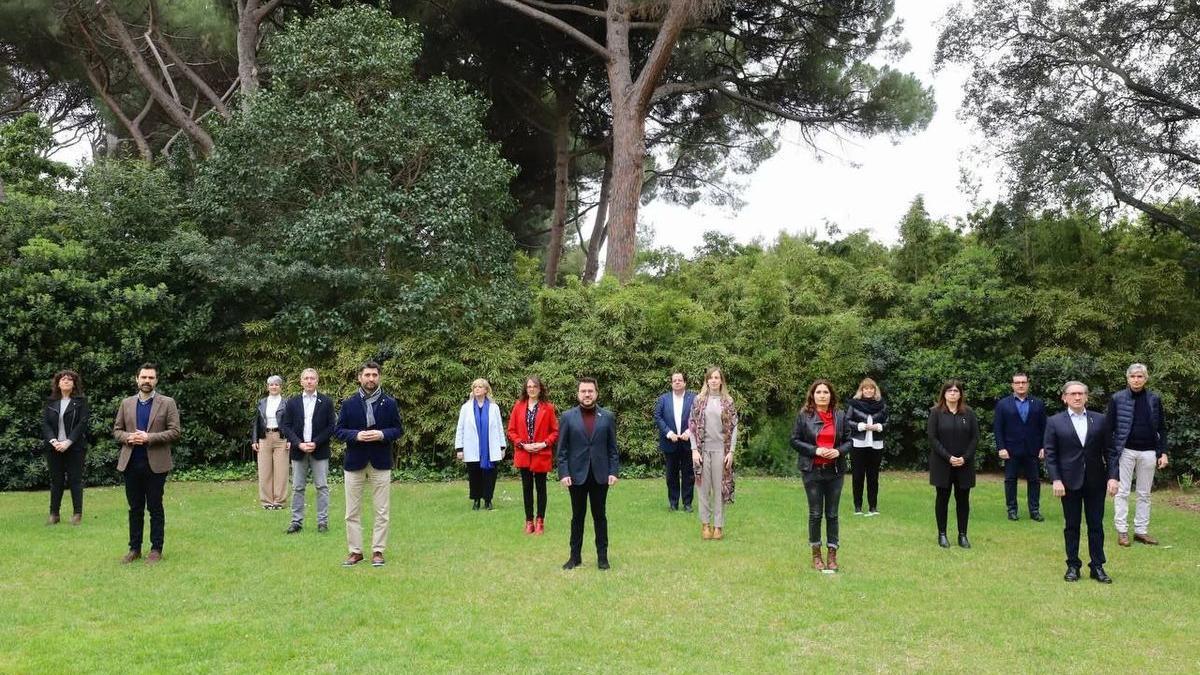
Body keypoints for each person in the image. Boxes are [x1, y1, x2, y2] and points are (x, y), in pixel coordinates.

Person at [1044, 381, 1120, 583]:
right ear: (1064, 397)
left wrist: (1113, 476)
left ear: (1087, 396)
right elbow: (1051, 454)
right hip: (1068, 482)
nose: (1077, 397)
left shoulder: (1100, 420)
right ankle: (1072, 565)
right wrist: (1056, 480)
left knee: (1096, 525)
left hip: (1096, 481)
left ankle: (1097, 566)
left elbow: (1110, 452)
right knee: (1072, 525)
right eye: (1073, 394)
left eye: (1081, 393)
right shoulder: (1054, 422)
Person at [334, 361, 403, 568]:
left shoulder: (390, 403)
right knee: (351, 511)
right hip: (355, 461)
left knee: (382, 511)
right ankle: (355, 552)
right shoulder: (348, 403)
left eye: (374, 375)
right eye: (367, 375)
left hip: (380, 462)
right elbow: (338, 431)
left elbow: (398, 430)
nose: (371, 379)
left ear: (379, 377)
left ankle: (378, 551)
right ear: (359, 377)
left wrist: (382, 434)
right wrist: (357, 435)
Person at [112, 363, 181, 564]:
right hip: (131, 463)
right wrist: (128, 437)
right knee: (135, 508)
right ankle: (134, 549)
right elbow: (117, 430)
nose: (147, 381)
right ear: (137, 379)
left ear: (156, 380)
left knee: (155, 507)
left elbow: (175, 431)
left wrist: (149, 437)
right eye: (143, 377)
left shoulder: (167, 403)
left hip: (156, 464)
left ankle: (156, 549)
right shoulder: (126, 403)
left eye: (151, 378)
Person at [557, 377, 619, 570]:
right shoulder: (568, 417)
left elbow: (613, 449)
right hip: (576, 476)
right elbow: (562, 450)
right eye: (583, 391)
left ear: (596, 393)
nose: (587, 394)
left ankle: (602, 557)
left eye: (590, 391)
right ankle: (574, 557)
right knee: (577, 517)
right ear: (578, 394)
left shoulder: (607, 417)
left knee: (600, 516)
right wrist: (563, 473)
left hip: (600, 475)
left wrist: (613, 471)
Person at [790, 379, 852, 572]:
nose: (822, 395)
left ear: (831, 395)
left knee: (832, 514)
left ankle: (832, 555)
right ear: (812, 395)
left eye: (826, 392)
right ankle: (816, 555)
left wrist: (839, 451)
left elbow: (850, 440)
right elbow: (794, 440)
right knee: (816, 514)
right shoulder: (804, 416)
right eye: (819, 392)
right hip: (812, 471)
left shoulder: (840, 416)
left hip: (834, 472)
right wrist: (815, 450)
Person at [1106, 363, 1169, 547]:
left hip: (1149, 451)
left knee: (1144, 493)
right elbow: (1109, 428)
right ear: (1127, 378)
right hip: (1125, 451)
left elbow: (1162, 427)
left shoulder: (1154, 399)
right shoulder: (1117, 398)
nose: (1136, 379)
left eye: (1140, 376)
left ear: (1146, 378)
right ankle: (1122, 531)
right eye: (1133, 376)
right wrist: (1111, 453)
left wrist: (1163, 452)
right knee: (1122, 491)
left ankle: (1141, 531)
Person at [280, 368, 337, 534]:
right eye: (306, 378)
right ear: (301, 381)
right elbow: (286, 426)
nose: (309, 381)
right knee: (298, 487)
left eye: (313, 378)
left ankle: (322, 522)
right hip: (299, 450)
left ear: (317, 381)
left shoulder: (326, 402)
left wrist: (316, 443)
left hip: (319, 450)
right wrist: (298, 444)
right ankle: (296, 522)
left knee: (322, 487)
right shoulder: (292, 402)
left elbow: (331, 426)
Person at [688, 366, 738, 541]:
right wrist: (694, 449)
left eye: (717, 377)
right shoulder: (699, 400)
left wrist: (731, 452)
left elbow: (734, 427)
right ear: (707, 380)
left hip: (721, 451)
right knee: (703, 489)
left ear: (721, 381)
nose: (714, 380)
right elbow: (692, 426)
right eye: (711, 377)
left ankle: (718, 526)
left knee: (719, 489)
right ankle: (705, 525)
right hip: (702, 451)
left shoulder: (728, 401)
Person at [927, 379, 978, 549]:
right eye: (950, 391)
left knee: (963, 499)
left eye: (956, 391)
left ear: (960, 394)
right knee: (942, 499)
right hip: (942, 464)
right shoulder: (936, 412)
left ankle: (962, 535)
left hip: (965, 464)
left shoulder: (969, 413)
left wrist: (965, 457)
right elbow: (933, 438)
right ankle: (942, 534)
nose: (953, 394)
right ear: (944, 393)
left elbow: (975, 438)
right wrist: (948, 457)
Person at [507, 376, 559, 534]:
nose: (532, 389)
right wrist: (522, 444)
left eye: (534, 386)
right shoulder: (518, 406)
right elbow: (511, 431)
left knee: (541, 488)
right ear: (525, 389)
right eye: (529, 386)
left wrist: (543, 444)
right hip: (524, 453)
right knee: (527, 488)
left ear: (540, 388)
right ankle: (529, 521)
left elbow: (555, 431)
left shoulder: (548, 407)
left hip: (541, 453)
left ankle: (540, 521)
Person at [993, 372, 1048, 522]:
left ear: (1028, 384)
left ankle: (1034, 510)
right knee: (1010, 480)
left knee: (1034, 480)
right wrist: (1001, 447)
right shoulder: (1003, 404)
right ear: (1012, 385)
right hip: (1011, 450)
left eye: (1023, 382)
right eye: (1017, 383)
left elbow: (1044, 427)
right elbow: (998, 428)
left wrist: (1044, 447)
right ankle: (1012, 510)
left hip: (1033, 449)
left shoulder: (1038, 403)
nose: (1021, 385)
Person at [40, 370, 90, 526]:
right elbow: (45, 424)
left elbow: (82, 424)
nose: (66, 381)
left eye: (70, 379)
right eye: (63, 379)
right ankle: (54, 514)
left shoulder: (81, 402)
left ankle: (77, 514)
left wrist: (68, 442)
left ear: (74, 384)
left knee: (75, 480)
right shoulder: (50, 402)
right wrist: (54, 441)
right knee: (56, 481)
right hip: (54, 448)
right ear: (58, 383)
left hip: (75, 447)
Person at [455, 378, 506, 510]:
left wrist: (502, 446)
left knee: (490, 476)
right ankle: (476, 500)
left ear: (486, 390)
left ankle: (488, 500)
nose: (477, 389)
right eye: (475, 387)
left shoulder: (494, 408)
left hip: (490, 449)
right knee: (475, 475)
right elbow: (460, 428)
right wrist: (459, 448)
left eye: (480, 387)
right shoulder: (466, 408)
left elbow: (500, 427)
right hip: (472, 448)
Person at [653, 371, 696, 512]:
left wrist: (689, 432)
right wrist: (669, 433)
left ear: (685, 383)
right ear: (671, 383)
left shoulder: (693, 399)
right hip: (670, 442)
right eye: (674, 380)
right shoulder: (663, 399)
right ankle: (673, 503)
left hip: (688, 442)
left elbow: (698, 417)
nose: (677, 382)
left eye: (680, 380)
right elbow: (658, 417)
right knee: (671, 475)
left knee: (688, 475)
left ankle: (688, 504)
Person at [846, 377, 887, 516]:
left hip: (876, 444)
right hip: (858, 444)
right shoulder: (854, 404)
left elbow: (887, 422)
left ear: (875, 390)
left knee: (873, 477)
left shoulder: (881, 404)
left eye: (871, 388)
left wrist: (879, 426)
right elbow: (847, 421)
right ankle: (857, 507)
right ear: (861, 390)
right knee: (857, 476)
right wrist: (860, 426)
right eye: (866, 388)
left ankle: (873, 507)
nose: (868, 390)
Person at [251, 375, 290, 510]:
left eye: (276, 384)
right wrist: (254, 439)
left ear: (280, 387)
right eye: (271, 385)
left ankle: (279, 501)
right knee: (264, 471)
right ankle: (267, 502)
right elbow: (256, 421)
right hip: (264, 438)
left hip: (281, 438)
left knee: (281, 471)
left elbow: (291, 423)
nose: (273, 387)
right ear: (267, 387)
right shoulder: (262, 402)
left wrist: (290, 439)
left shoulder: (286, 403)